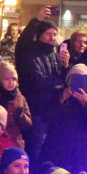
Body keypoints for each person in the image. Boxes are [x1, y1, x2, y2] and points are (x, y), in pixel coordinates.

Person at [38, 64, 87, 174]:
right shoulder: (58, 92)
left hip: (80, 148)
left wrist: (86, 103)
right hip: (56, 145)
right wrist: (62, 99)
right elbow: (46, 116)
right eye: (76, 77)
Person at [18, 19, 69, 159]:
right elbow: (37, 81)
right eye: (48, 34)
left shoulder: (53, 55)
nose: (52, 38)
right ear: (40, 35)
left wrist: (65, 66)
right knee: (35, 146)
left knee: (49, 149)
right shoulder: (31, 54)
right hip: (37, 108)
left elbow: (63, 79)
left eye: (54, 34)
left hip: (52, 109)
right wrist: (57, 81)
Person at [0, 61, 32, 149]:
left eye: (13, 79)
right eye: (7, 79)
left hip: (15, 141)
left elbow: (29, 124)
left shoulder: (20, 98)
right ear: (1, 81)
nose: (11, 82)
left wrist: (21, 117)